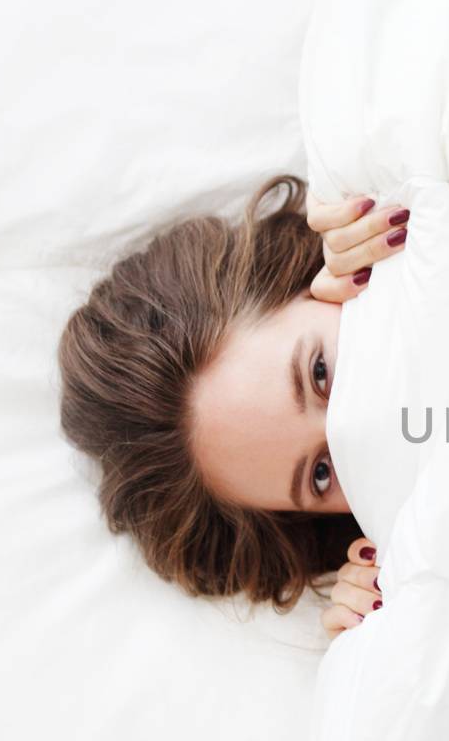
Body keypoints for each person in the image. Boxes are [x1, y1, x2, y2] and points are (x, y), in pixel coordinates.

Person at [57, 175, 400, 640]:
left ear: (312, 277)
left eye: (321, 374)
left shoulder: (402, 234)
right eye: (322, 471)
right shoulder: (402, 565)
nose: (366, 429)